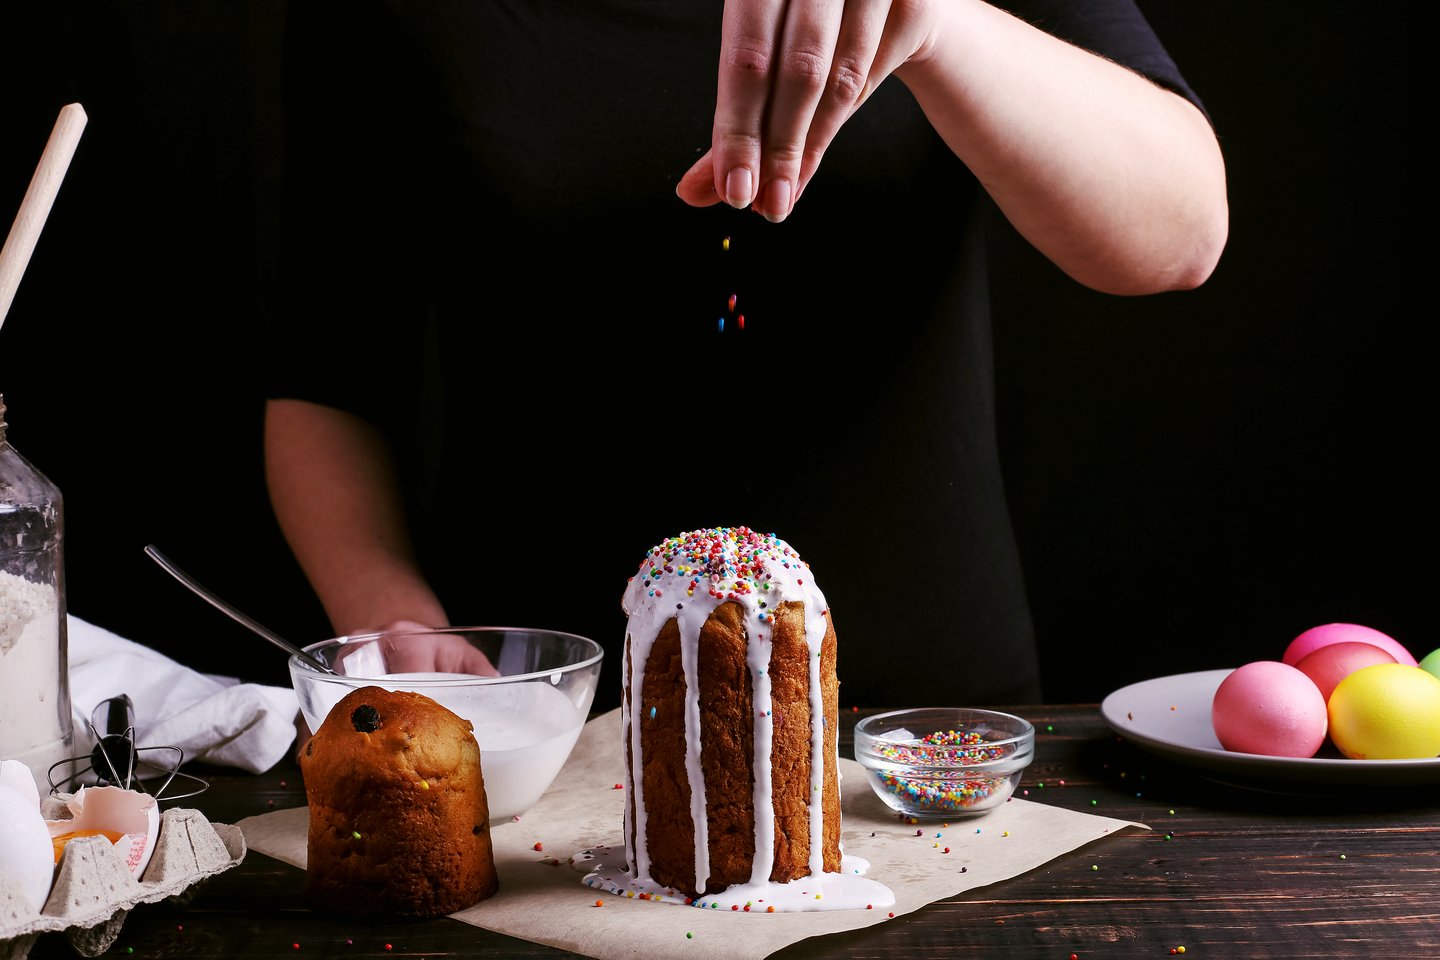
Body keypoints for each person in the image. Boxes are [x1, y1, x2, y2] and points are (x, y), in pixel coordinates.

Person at [265, 0, 1226, 711]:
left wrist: (945, 26)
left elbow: (1180, 232)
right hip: (536, 726)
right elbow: (325, 374)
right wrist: (392, 620)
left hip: (910, 737)